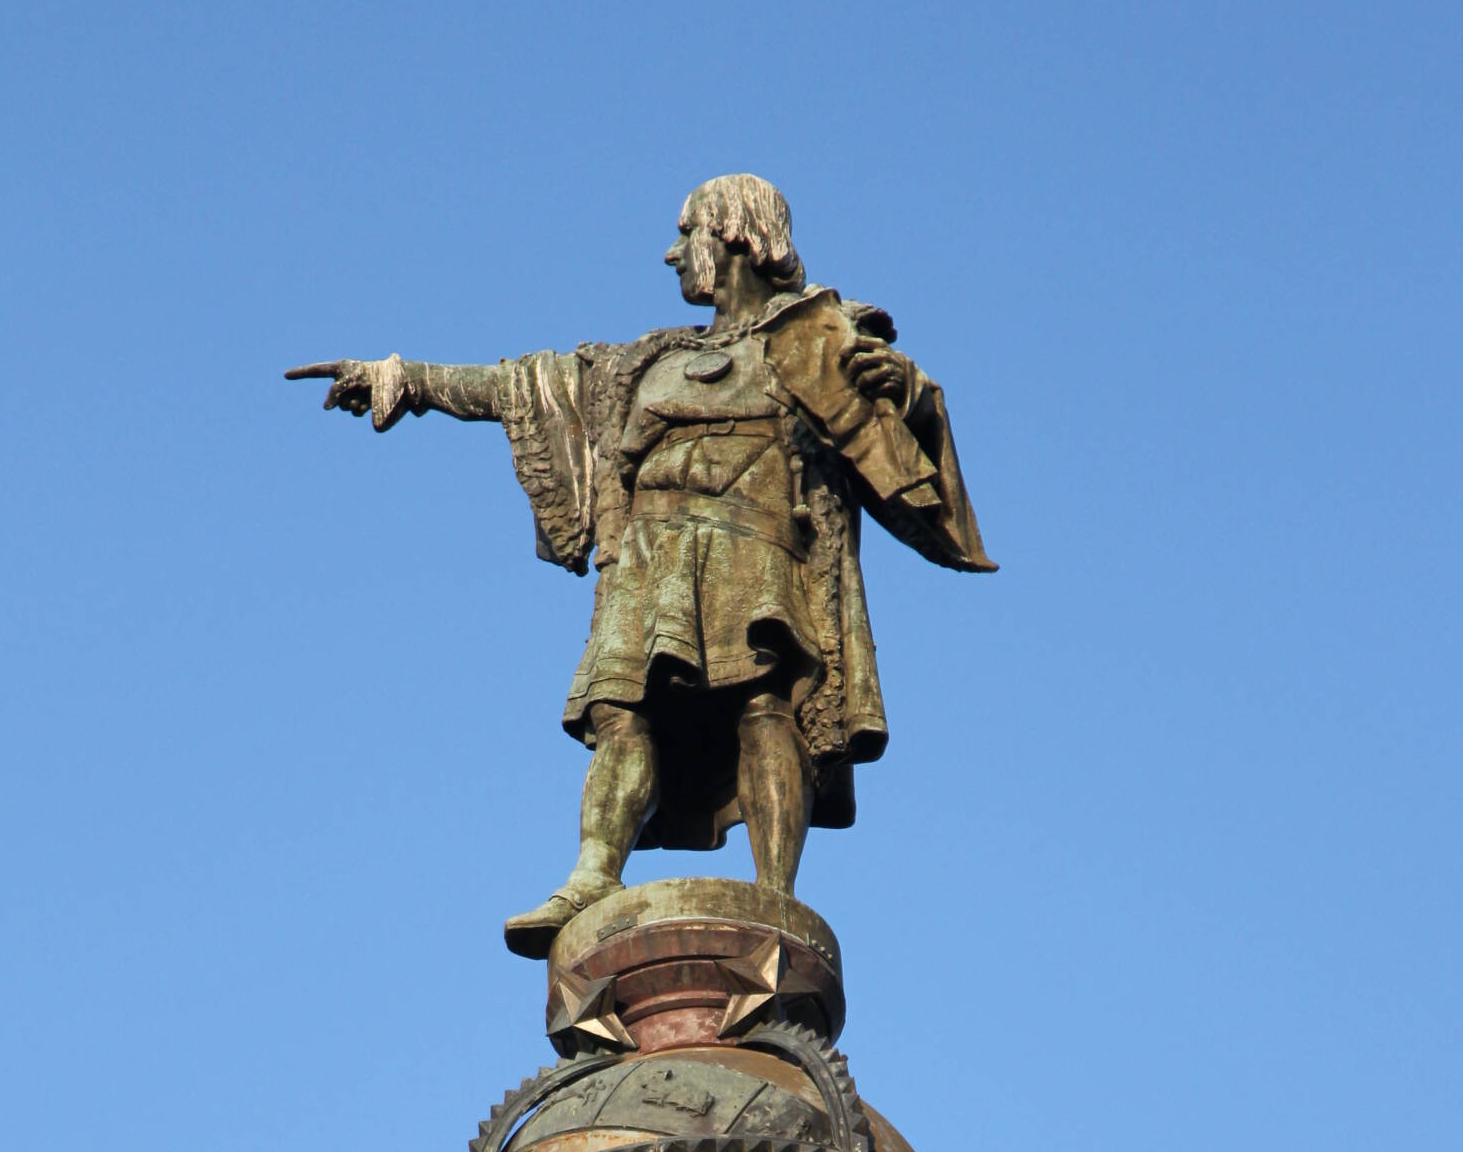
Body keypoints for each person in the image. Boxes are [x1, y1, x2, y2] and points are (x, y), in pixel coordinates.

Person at [289, 176, 995, 954]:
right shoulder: (649, 360)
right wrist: (403, 379)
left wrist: (910, 395)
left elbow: (898, 433)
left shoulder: (818, 336)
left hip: (755, 546)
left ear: (735, 234)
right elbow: (527, 386)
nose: (670, 252)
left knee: (764, 706)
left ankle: (772, 897)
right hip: (649, 557)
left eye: (684, 230)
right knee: (618, 712)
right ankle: (592, 875)